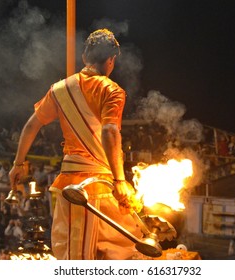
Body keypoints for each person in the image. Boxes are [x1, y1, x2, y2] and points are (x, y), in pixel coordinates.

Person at [9, 29, 142, 260]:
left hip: (67, 189)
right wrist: (120, 180)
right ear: (111, 61)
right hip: (99, 190)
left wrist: (18, 164)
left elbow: (31, 126)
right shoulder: (112, 90)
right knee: (121, 253)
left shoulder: (59, 90)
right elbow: (110, 131)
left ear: (84, 57)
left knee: (70, 256)